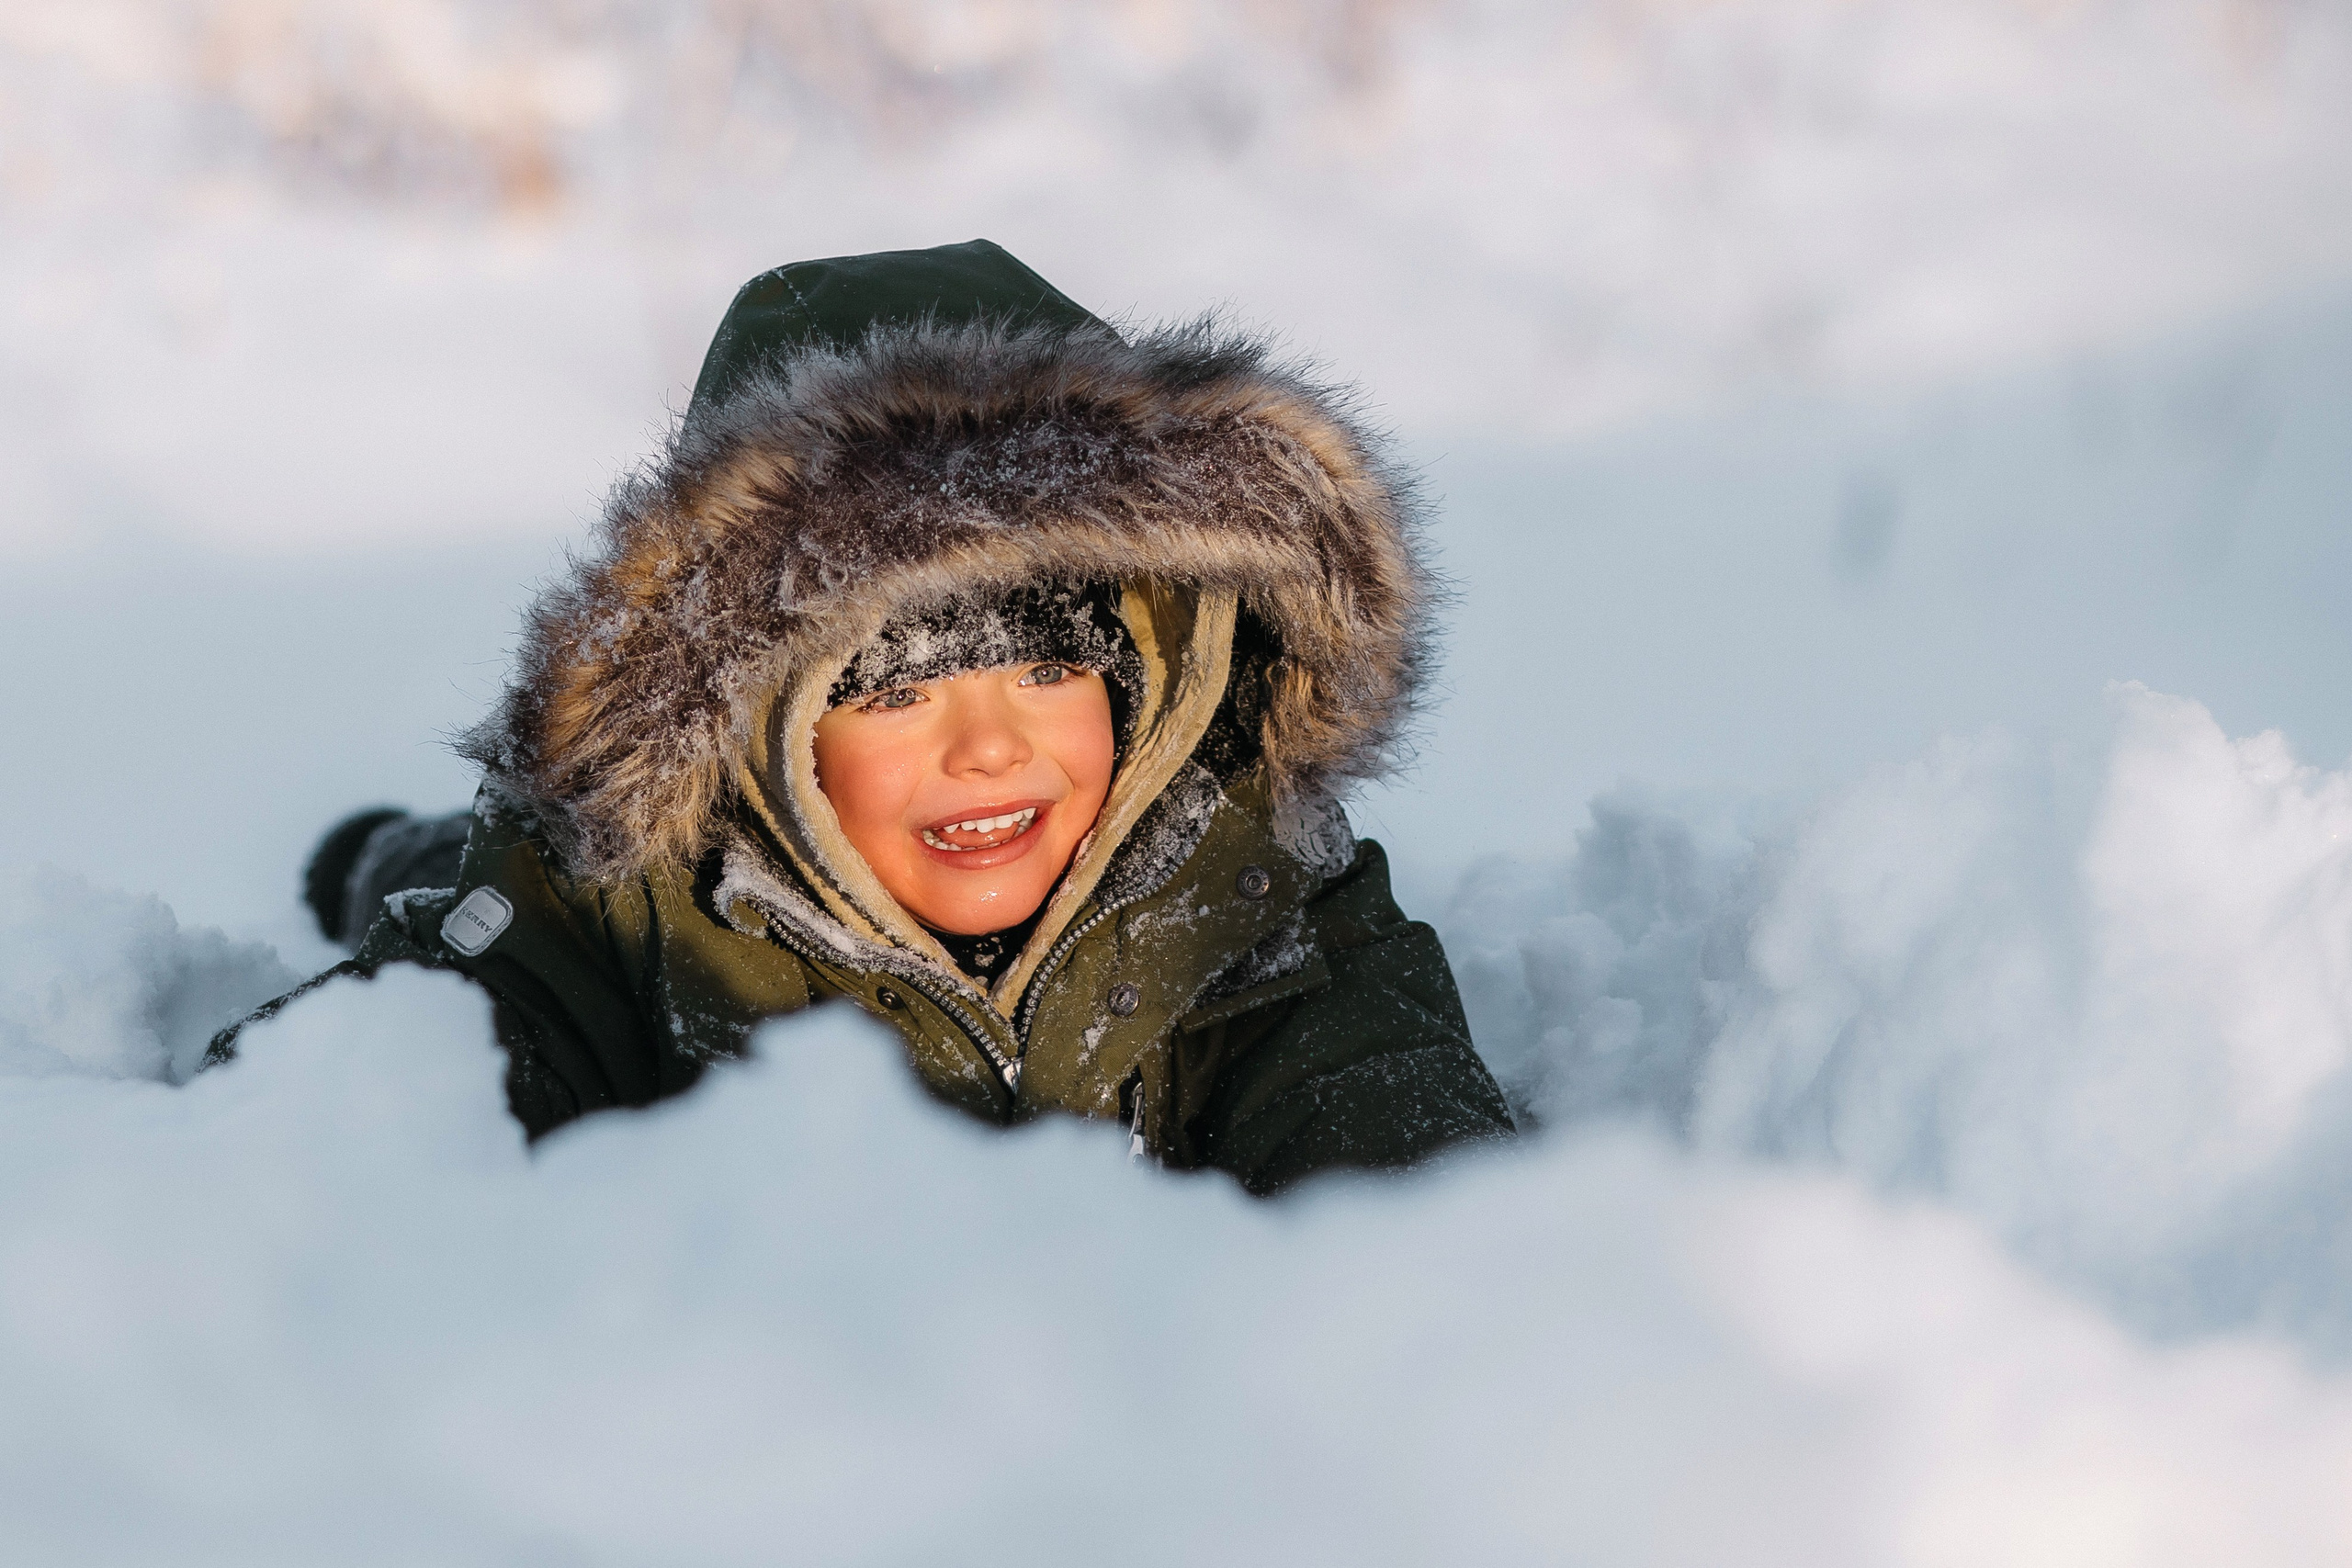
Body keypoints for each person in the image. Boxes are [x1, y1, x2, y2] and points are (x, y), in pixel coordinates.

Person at [214, 240, 1513, 1193]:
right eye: (893, 693)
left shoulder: (1248, 895)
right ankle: (393, 850)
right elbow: (281, 1141)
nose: (990, 745)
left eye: (1049, 668)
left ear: (1152, 674)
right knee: (502, 861)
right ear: (755, 736)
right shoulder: (604, 927)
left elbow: (1418, 1194)